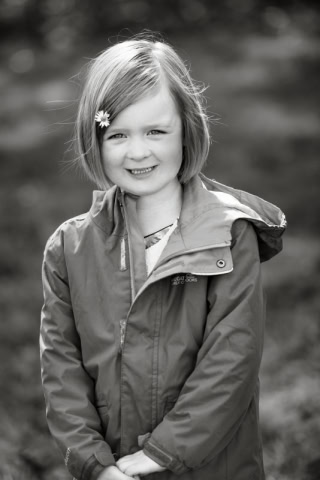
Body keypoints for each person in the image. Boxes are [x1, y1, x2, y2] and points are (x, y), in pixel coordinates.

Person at [40, 34, 286, 480]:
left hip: (214, 466)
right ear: (95, 140)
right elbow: (61, 370)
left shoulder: (229, 235)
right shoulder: (68, 249)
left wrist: (161, 453)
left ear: (187, 130)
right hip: (113, 466)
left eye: (156, 131)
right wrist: (94, 463)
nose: (138, 152)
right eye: (118, 135)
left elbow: (233, 360)